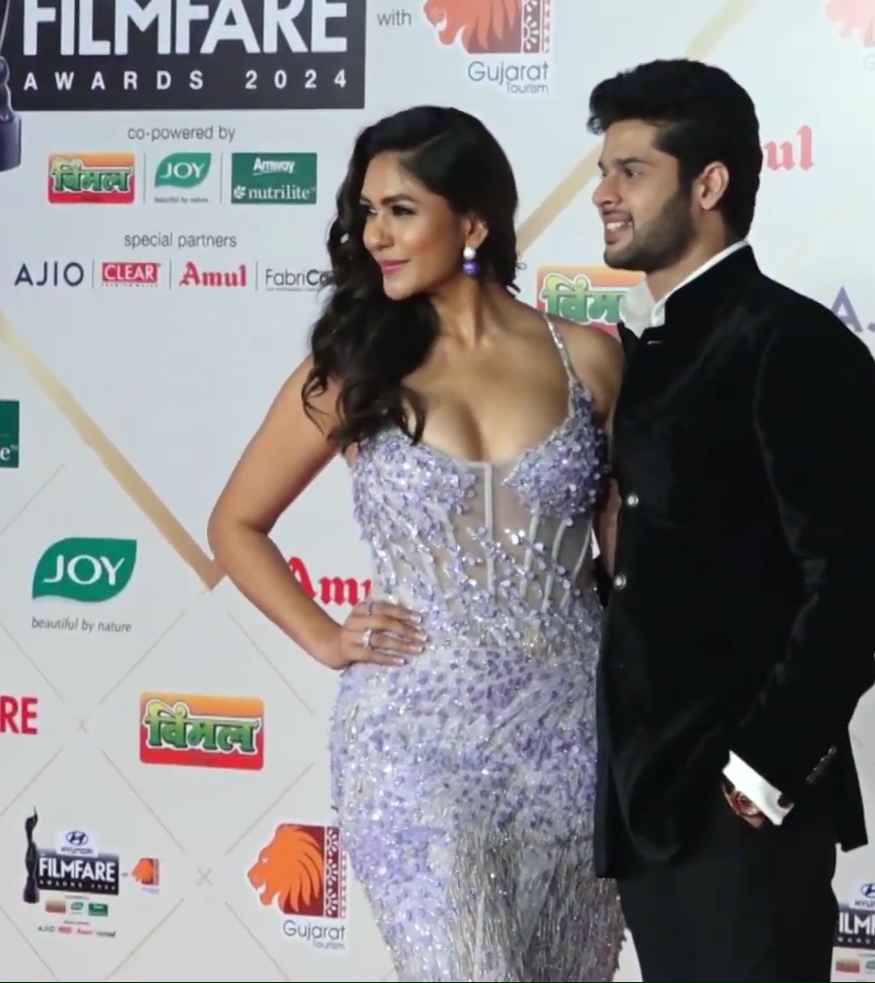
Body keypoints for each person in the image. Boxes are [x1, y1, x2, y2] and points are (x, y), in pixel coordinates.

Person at [207, 105, 627, 982]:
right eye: (366, 212)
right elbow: (235, 524)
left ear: (472, 221)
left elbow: (632, 563)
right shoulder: (352, 369)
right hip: (412, 743)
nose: (374, 236)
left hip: (575, 741)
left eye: (400, 210)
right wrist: (325, 636)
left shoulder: (589, 359)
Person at [585, 59, 875, 980]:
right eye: (604, 171)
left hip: (744, 814)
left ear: (709, 184)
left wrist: (763, 766)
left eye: (630, 172)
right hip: (649, 809)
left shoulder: (790, 344)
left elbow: (858, 585)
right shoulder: (638, 354)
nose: (603, 195)